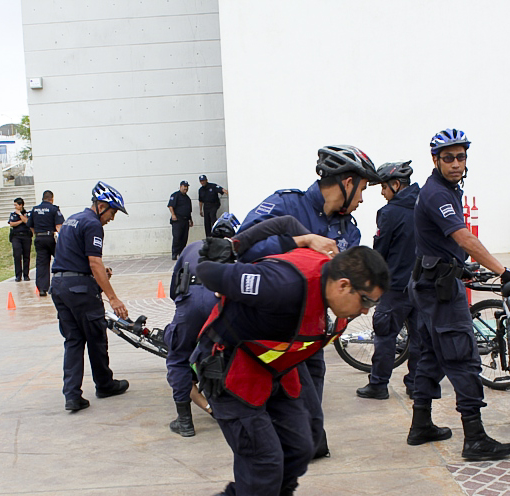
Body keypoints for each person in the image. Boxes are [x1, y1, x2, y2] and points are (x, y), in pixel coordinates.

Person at [195, 245, 389, 496]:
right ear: (344, 285)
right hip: (231, 368)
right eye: (366, 301)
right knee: (264, 459)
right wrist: (232, 251)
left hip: (275, 366)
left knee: (302, 443)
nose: (365, 311)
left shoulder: (334, 297)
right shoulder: (281, 284)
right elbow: (209, 271)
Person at [237, 144, 381, 459]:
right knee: (295, 406)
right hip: (272, 327)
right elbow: (241, 248)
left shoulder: (348, 230)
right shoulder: (285, 205)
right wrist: (300, 240)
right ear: (347, 182)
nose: (361, 199)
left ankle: (299, 454)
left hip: (312, 329)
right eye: (362, 190)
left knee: (311, 397)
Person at [165, 212, 337, 438]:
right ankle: (232, 404)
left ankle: (185, 420)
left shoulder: (193, 247)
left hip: (190, 300)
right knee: (227, 349)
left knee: (178, 357)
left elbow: (173, 288)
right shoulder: (243, 254)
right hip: (219, 298)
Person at [407, 128, 510, 461]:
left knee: (429, 355)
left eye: (461, 157)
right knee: (461, 356)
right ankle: (475, 438)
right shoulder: (437, 194)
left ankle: (421, 424)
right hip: (439, 291)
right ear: (435, 160)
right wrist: (503, 271)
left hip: (429, 283)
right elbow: (462, 237)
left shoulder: (445, 189)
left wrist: (463, 266)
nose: (456, 164)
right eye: (449, 158)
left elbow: (439, 243)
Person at [51, 181, 130, 412]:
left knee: (73, 340)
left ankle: (72, 395)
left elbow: (75, 258)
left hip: (59, 285)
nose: (112, 218)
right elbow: (94, 261)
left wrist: (95, 273)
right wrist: (113, 298)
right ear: (102, 205)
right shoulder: (93, 224)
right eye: (113, 212)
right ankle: (105, 384)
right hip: (80, 290)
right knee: (96, 337)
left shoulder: (71, 221)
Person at [357, 161, 422, 400]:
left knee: (385, 336)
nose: (383, 193)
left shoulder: (390, 212)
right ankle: (415, 384)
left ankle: (378, 384)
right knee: (419, 339)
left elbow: (380, 250)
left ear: (396, 185)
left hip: (395, 287)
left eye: (383, 188)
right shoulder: (424, 204)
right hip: (422, 285)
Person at [30, 190, 65, 296]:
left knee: (42, 264)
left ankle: (42, 289)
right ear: (52, 199)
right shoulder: (54, 209)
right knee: (61, 260)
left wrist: (36, 234)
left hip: (39, 238)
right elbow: (59, 226)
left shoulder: (35, 210)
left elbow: (30, 225)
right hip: (51, 238)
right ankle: (62, 284)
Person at [8, 198, 32, 282]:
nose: (15, 207)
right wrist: (21, 221)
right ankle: (18, 275)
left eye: (16, 205)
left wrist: (21, 216)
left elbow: (28, 222)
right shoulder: (13, 214)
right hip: (16, 236)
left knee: (26, 255)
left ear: (21, 205)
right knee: (17, 255)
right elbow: (12, 223)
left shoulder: (28, 213)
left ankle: (26, 274)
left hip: (26, 236)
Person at [168, 180, 193, 259]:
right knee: (177, 237)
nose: (186, 189)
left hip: (185, 220)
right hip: (177, 220)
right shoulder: (175, 195)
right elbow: (170, 206)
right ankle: (174, 253)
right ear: (180, 187)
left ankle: (181, 253)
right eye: (184, 187)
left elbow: (188, 210)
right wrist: (173, 215)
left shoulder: (187, 198)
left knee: (184, 237)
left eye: (187, 187)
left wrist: (190, 220)